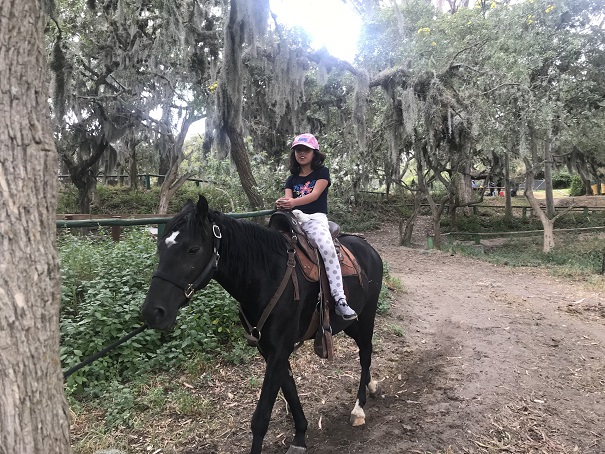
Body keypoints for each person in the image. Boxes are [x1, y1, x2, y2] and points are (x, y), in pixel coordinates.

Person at [275, 133, 357, 320]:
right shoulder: (291, 179)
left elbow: (314, 195)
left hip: (315, 219)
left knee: (327, 249)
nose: (301, 153)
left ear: (314, 153)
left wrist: (292, 202)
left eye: (306, 150)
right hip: (294, 219)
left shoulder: (322, 173)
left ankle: (340, 299)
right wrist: (283, 202)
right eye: (298, 150)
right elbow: (288, 199)